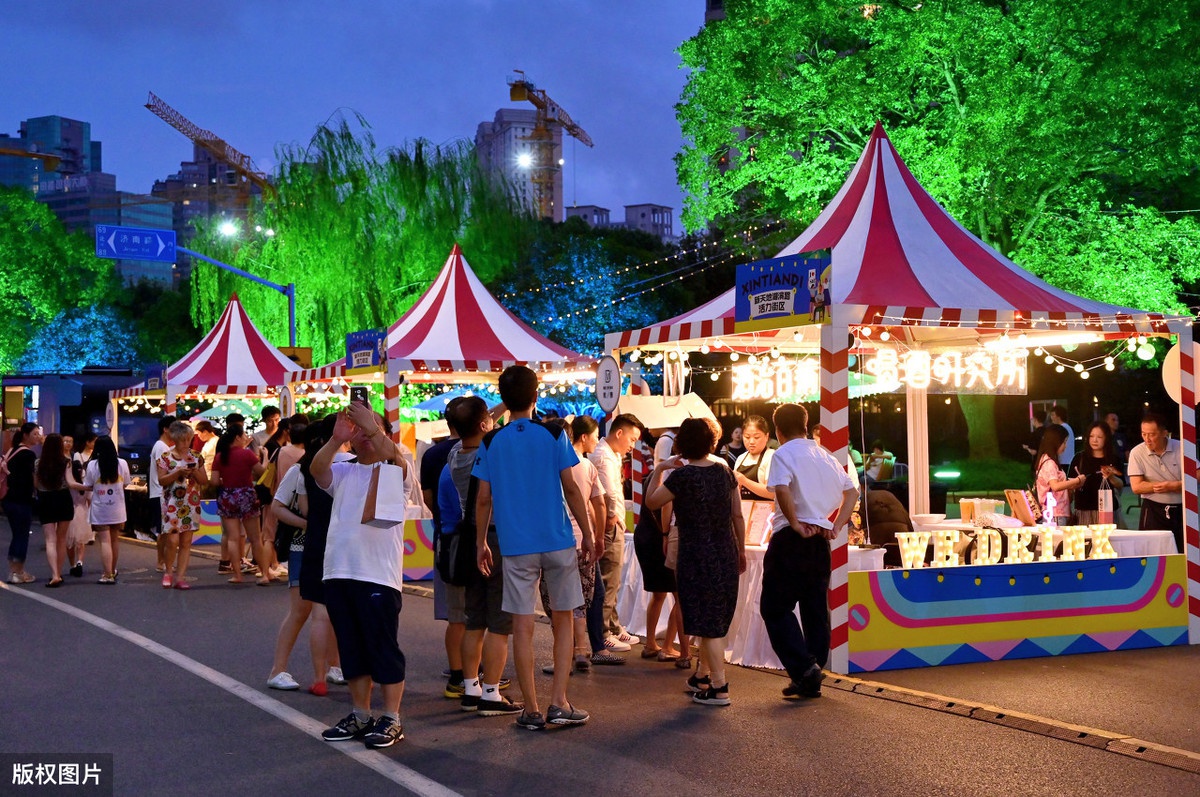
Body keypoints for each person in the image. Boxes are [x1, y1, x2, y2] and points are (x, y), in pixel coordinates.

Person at [474, 365, 596, 730]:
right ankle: (559, 701)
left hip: (515, 546)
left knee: (522, 625)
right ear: (535, 395)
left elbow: (483, 499)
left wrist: (481, 541)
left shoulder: (492, 441)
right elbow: (572, 488)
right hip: (557, 541)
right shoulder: (554, 433)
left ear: (504, 399)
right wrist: (587, 533)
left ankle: (530, 709)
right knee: (562, 621)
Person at [312, 401, 411, 749]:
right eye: (357, 429)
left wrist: (372, 427)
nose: (364, 435)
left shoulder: (398, 467)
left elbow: (393, 455)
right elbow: (317, 470)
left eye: (369, 428)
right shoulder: (343, 468)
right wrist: (336, 438)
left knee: (382, 647)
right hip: (338, 571)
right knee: (351, 649)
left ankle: (392, 717)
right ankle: (360, 714)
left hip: (378, 575)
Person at [759, 403, 858, 699]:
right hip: (820, 541)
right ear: (806, 425)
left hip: (791, 537)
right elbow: (852, 491)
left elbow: (782, 489)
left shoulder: (782, 454)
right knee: (814, 608)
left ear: (777, 429)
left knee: (775, 608)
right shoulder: (825, 456)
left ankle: (804, 669)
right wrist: (836, 526)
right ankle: (811, 671)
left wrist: (794, 523)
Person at [646, 417, 745, 706]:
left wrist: (661, 469)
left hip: (695, 555)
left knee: (706, 620)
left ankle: (719, 687)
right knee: (713, 616)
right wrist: (739, 549)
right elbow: (737, 515)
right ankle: (702, 675)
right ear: (711, 443)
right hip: (724, 551)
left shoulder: (682, 477)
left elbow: (651, 501)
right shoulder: (726, 473)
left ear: (682, 445)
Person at [447, 397, 520, 716]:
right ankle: (492, 692)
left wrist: (503, 405)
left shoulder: (455, 453)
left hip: (468, 541)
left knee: (473, 619)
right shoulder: (493, 453)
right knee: (500, 622)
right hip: (495, 539)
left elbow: (480, 421)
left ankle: (470, 687)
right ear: (482, 425)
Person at [266, 424, 341, 696]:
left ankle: (335, 666)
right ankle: (277, 670)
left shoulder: (341, 466)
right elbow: (277, 507)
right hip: (303, 547)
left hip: (326, 547)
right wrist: (308, 525)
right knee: (302, 611)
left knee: (329, 610)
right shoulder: (300, 470)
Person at [538, 417, 607, 674]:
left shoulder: (541, 466)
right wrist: (596, 535)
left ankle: (562, 659)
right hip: (581, 541)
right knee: (578, 599)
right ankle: (581, 649)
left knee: (557, 602)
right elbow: (598, 503)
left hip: (551, 542)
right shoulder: (586, 465)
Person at [589, 413, 644, 651]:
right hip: (610, 525)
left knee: (612, 580)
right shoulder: (604, 457)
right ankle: (604, 632)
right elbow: (609, 494)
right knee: (608, 580)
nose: (632, 446)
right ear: (619, 433)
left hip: (612, 522)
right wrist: (613, 517)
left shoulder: (610, 454)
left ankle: (612, 626)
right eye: (631, 439)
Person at [211, 426, 270, 585]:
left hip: (227, 497)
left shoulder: (219, 457)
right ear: (236, 437)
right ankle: (265, 574)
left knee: (232, 538)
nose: (245, 437)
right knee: (256, 538)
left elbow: (215, 481)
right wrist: (265, 457)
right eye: (243, 434)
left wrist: (227, 482)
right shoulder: (247, 454)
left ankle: (237, 574)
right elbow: (261, 471)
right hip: (246, 495)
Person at [157, 421, 208, 589]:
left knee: (186, 542)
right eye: (183, 440)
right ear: (175, 440)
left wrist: (194, 471)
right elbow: (161, 480)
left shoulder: (196, 456)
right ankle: (168, 571)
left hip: (191, 503)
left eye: (188, 439)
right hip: (172, 503)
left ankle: (180, 576)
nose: (186, 443)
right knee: (172, 541)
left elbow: (204, 481)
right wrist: (177, 472)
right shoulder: (165, 457)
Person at [1128, 412, 1183, 554]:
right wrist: (1163, 486)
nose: (1147, 439)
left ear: (1165, 433)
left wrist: (1174, 486)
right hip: (1152, 509)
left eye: (1151, 434)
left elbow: (1196, 476)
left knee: (1182, 550)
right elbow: (1136, 486)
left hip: (1181, 510)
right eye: (1143, 434)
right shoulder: (1137, 453)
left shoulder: (1181, 448)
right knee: (1150, 552)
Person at [34, 434, 82, 587]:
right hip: (63, 499)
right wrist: (88, 487)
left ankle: (54, 574)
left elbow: (35, 484)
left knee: (50, 540)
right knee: (61, 539)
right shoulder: (65, 462)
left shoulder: (37, 463)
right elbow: (71, 483)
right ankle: (59, 574)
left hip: (45, 499)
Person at [83, 436, 132, 584]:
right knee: (115, 539)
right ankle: (113, 570)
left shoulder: (92, 465)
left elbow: (89, 484)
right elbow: (126, 483)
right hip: (118, 508)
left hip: (100, 508)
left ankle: (107, 574)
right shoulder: (122, 463)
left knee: (104, 541)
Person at [2, 422, 42, 584]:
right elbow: (33, 480)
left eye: (39, 434)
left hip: (8, 499)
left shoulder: (12, 450)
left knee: (16, 535)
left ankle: (14, 571)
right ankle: (18, 572)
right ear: (26, 435)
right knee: (22, 535)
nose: (38, 437)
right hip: (21, 500)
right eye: (35, 434)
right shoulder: (28, 455)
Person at [1069, 422, 1124, 526]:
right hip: (1083, 510)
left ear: (1106, 438)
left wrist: (1111, 477)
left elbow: (1121, 484)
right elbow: (1069, 486)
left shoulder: (1114, 459)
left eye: (1099, 437)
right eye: (1091, 436)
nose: (1094, 440)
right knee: (1085, 541)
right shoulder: (1079, 458)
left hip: (1108, 511)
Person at [1034, 425, 1082, 525]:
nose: (1065, 446)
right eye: (1064, 442)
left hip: (1055, 513)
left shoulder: (1045, 460)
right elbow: (1055, 486)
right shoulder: (1049, 463)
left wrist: (1072, 485)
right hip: (1055, 514)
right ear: (1055, 442)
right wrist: (1077, 480)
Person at [148, 416, 176, 574]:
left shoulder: (162, 446)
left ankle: (164, 561)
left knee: (165, 530)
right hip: (160, 493)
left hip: (159, 492)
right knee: (164, 531)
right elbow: (165, 471)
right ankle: (161, 561)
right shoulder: (161, 447)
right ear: (165, 429)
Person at [64, 434, 94, 576]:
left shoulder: (68, 483)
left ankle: (71, 564)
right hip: (83, 511)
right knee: (80, 541)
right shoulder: (85, 481)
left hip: (69, 511)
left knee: (69, 541)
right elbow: (89, 498)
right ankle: (79, 562)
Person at [733, 415, 775, 501]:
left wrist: (744, 480)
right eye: (747, 437)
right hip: (743, 511)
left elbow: (772, 493)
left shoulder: (771, 456)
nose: (751, 442)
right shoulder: (741, 458)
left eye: (756, 437)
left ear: (766, 436)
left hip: (764, 511)